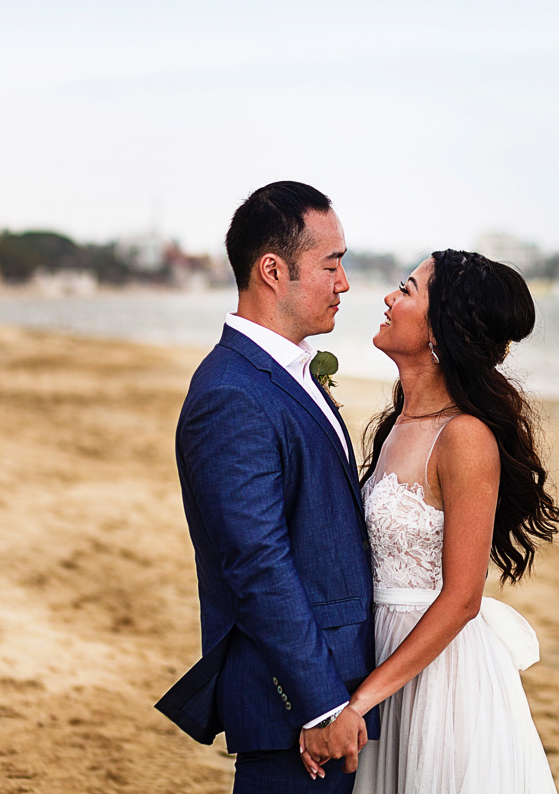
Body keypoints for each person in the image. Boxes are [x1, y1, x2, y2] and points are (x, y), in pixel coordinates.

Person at [299, 249, 559, 793]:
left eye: (408, 289)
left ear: (442, 329)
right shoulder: (399, 421)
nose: (390, 298)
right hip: (383, 658)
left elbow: (463, 598)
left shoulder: (464, 438)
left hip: (439, 677)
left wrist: (362, 700)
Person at [157, 181, 378, 793]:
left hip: (341, 693)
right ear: (274, 270)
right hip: (296, 714)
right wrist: (320, 705)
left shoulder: (287, 372)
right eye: (331, 264)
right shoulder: (231, 394)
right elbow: (257, 563)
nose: (345, 282)